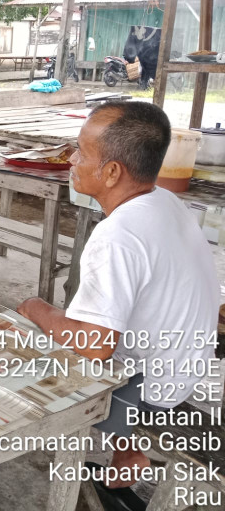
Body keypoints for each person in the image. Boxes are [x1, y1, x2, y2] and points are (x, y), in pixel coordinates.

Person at [15, 101, 219, 489]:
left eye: (81, 151)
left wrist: (38, 310)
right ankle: (126, 449)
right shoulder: (165, 202)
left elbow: (96, 345)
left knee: (41, 344)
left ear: (111, 172)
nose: (73, 159)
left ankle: (117, 447)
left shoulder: (117, 237)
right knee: (81, 322)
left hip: (155, 389)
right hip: (188, 365)